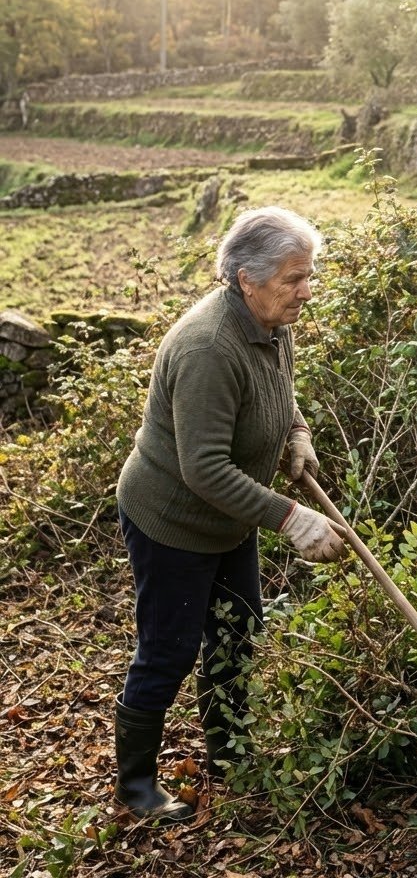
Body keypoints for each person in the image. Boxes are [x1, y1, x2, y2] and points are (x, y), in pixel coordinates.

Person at [113, 206, 346, 821]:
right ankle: (135, 785)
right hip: (172, 521)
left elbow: (278, 394)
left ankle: (229, 755)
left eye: (309, 274)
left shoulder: (272, 322)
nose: (306, 290)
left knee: (238, 634)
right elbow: (204, 469)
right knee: (170, 648)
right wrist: (292, 518)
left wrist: (295, 432)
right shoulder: (208, 347)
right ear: (246, 279)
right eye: (294, 278)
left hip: (228, 520)